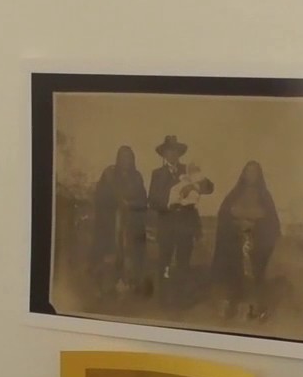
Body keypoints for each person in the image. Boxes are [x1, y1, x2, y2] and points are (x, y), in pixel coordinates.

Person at [212, 160, 281, 321]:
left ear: (259, 175)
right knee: (234, 276)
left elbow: (271, 221)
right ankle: (232, 307)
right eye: (248, 172)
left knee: (255, 276)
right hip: (235, 243)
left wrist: (255, 223)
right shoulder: (235, 193)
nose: (251, 175)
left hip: (256, 244)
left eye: (254, 172)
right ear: (243, 174)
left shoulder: (265, 195)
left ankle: (255, 310)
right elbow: (224, 214)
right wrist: (237, 222)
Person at [147, 135, 214, 286]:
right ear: (164, 154)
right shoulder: (157, 174)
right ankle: (164, 296)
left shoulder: (189, 170)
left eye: (175, 151)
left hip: (186, 225)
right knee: (164, 262)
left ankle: (180, 296)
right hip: (166, 224)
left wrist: (194, 186)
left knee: (183, 262)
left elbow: (210, 188)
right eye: (168, 151)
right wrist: (168, 205)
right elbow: (152, 200)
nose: (172, 154)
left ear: (179, 153)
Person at [90, 146, 149, 293]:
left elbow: (143, 200)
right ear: (118, 159)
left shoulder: (137, 177)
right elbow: (100, 197)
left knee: (132, 255)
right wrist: (116, 203)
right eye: (123, 157)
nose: (126, 161)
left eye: (129, 157)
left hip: (132, 224)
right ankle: (106, 288)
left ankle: (130, 285)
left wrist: (130, 204)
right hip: (111, 223)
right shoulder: (109, 174)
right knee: (110, 254)